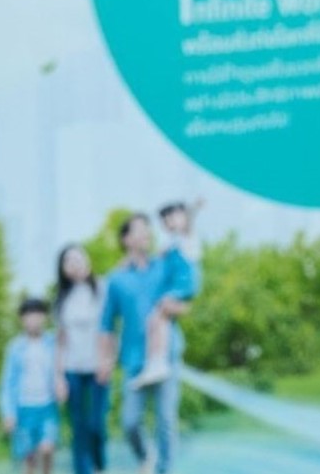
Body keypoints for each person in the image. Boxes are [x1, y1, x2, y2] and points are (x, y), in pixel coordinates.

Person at [99, 213, 186, 474]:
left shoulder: (164, 266)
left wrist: (171, 308)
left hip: (166, 356)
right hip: (134, 360)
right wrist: (105, 360)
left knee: (166, 420)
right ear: (126, 239)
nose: (146, 233)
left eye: (147, 229)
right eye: (139, 229)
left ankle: (164, 470)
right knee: (130, 422)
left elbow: (184, 304)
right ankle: (146, 457)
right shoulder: (116, 279)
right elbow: (107, 325)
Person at [131, 198, 202, 389]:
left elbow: (189, 221)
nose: (169, 223)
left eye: (173, 217)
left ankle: (159, 363)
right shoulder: (170, 243)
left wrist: (193, 208)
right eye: (165, 220)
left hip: (184, 286)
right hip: (175, 287)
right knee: (154, 320)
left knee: (159, 314)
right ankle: (154, 362)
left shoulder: (188, 238)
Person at [53, 242, 110, 474]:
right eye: (69, 260)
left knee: (96, 424)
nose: (75, 263)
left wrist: (107, 360)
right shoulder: (61, 299)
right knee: (78, 427)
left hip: (98, 367)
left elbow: (109, 330)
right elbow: (60, 341)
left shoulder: (102, 289)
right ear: (63, 268)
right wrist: (58, 377)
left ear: (87, 260)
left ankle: (99, 464)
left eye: (78, 257)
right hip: (72, 369)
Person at [0, 297, 58, 474]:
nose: (33, 320)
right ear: (22, 319)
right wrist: (8, 413)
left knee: (47, 448)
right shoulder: (15, 348)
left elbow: (60, 370)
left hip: (47, 406)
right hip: (24, 409)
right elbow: (7, 383)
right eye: (29, 315)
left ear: (45, 317)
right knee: (29, 457)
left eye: (37, 314)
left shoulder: (52, 343)